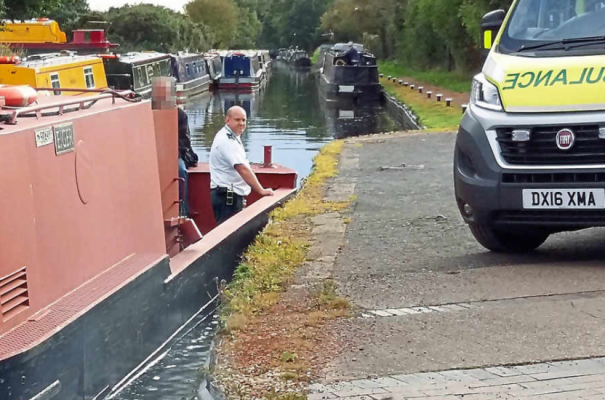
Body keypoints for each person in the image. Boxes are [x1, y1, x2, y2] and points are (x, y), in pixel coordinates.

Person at [209, 106, 274, 224]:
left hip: (229, 195)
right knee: (228, 235)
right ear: (227, 120)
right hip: (227, 197)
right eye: (237, 120)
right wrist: (261, 190)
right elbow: (243, 169)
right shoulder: (227, 141)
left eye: (244, 120)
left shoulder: (230, 136)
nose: (241, 123)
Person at [178, 107, 198, 216]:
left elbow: (184, 141)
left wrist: (176, 152)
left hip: (175, 154)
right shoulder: (148, 111)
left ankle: (183, 211)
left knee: (180, 169)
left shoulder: (180, 115)